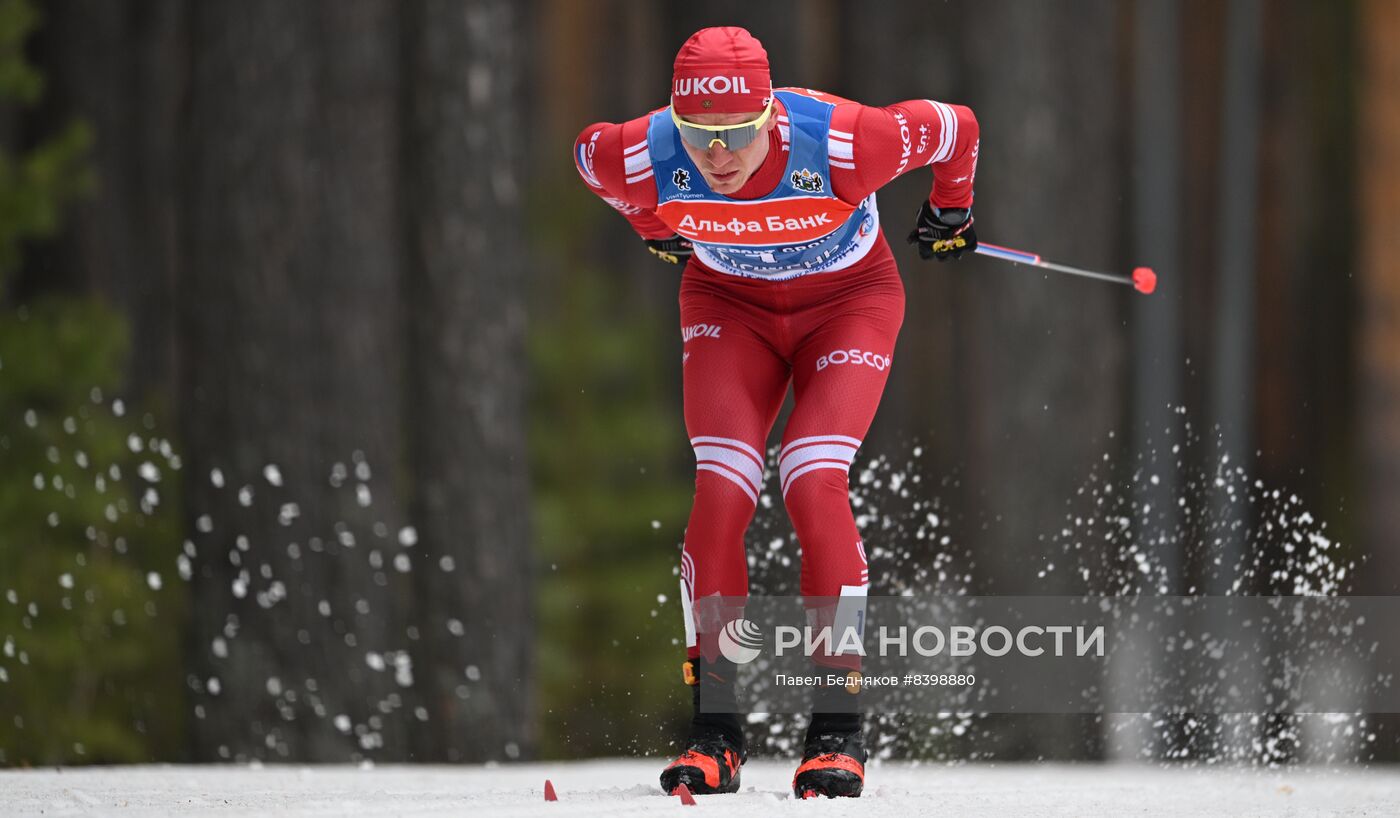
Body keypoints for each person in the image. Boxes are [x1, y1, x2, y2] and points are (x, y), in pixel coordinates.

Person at [573, 26, 979, 799]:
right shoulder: (640, 153)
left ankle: (836, 732)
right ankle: (715, 732)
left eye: (737, 134)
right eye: (698, 134)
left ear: (771, 115)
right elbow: (591, 159)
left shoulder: (853, 142)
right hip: (730, 309)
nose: (717, 157)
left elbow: (958, 124)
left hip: (849, 306)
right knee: (722, 489)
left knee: (809, 475)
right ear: (674, 120)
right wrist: (656, 227)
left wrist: (950, 210)